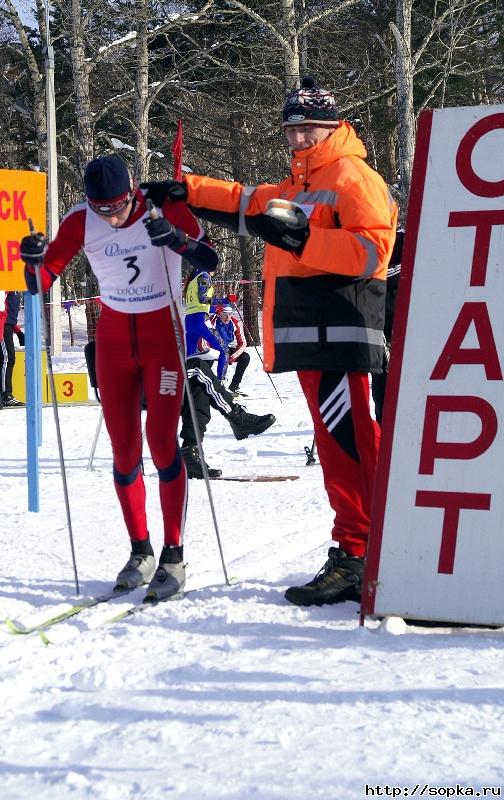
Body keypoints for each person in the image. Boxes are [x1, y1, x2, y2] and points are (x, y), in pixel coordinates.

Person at [144, 76, 398, 605]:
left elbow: (375, 251)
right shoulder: (296, 186)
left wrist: (306, 240)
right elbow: (244, 203)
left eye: (309, 130)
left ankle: (361, 552)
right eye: (292, 131)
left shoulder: (354, 177)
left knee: (349, 447)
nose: (300, 140)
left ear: (333, 128)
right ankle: (367, 547)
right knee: (340, 447)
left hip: (340, 333)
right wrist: (186, 190)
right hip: (312, 337)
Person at [19, 154, 218, 601]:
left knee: (163, 441)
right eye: (101, 209)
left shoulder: (161, 205)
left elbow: (211, 260)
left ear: (133, 191)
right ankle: (140, 550)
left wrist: (177, 240)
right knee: (124, 449)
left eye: (119, 207)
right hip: (113, 339)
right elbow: (41, 280)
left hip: (161, 333)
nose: (111, 217)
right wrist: (31, 261)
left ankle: (174, 553)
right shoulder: (80, 219)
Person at [179, 266, 276, 479]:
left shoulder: (195, 277)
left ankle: (191, 452)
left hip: (192, 331)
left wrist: (223, 302)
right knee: (203, 368)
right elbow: (204, 300)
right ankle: (236, 416)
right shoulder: (202, 275)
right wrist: (220, 302)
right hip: (189, 337)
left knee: (200, 389)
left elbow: (204, 302)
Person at [371, 229, 404, 425]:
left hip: (398, 317)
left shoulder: (404, 238)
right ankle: (383, 421)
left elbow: (406, 268)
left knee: (394, 371)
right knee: (380, 371)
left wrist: (373, 274)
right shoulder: (366, 237)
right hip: (375, 317)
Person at [210, 302, 250, 396]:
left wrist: (233, 356)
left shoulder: (234, 322)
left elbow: (243, 343)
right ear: (219, 313)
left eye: (230, 314)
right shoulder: (213, 321)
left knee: (245, 357)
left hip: (225, 348)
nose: (227, 317)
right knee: (207, 361)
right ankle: (210, 387)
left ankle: (234, 386)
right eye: (224, 314)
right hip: (212, 348)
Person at [0, 291, 25, 407]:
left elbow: (10, 314)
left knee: (8, 358)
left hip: (8, 325)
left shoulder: (16, 288)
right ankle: (5, 394)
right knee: (6, 358)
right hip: (0, 324)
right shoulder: (6, 285)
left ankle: (2, 394)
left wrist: (18, 332)